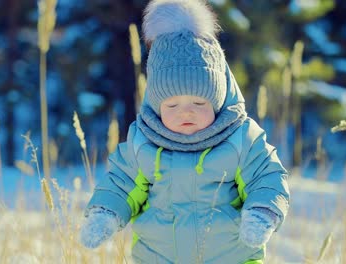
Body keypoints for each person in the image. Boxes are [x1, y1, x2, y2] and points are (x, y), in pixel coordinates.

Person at [80, 0, 290, 263]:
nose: (186, 112)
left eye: (199, 103)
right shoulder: (142, 143)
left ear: (217, 101)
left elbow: (266, 176)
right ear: (157, 105)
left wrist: (262, 213)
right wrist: (105, 214)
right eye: (172, 104)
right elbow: (120, 184)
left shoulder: (240, 139)